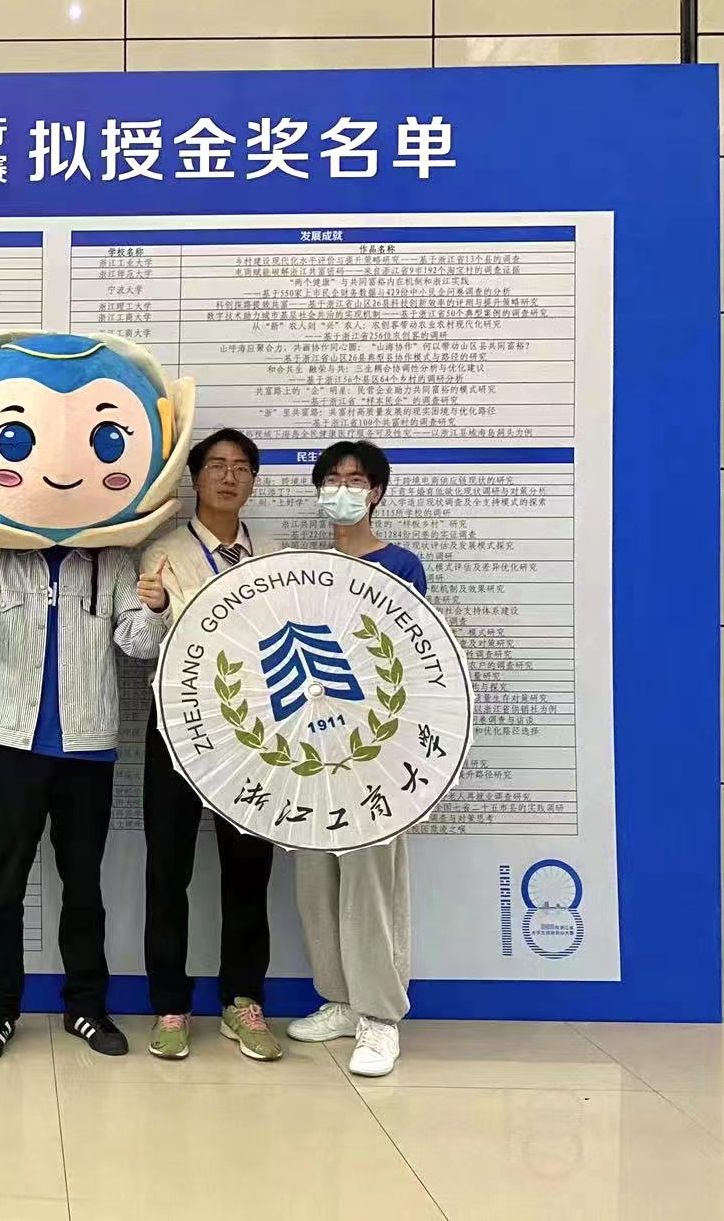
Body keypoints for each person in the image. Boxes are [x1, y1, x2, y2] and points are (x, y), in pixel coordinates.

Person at [0, 527, 169, 1063]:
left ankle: (86, 1006)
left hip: (87, 749)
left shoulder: (112, 561)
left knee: (84, 884)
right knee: (4, 883)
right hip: (10, 745)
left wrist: (155, 609)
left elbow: (139, 645)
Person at [137, 428, 283, 1062]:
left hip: (256, 735)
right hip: (178, 727)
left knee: (249, 870)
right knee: (168, 868)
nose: (229, 477)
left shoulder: (274, 556)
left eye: (242, 467)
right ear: (196, 477)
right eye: (217, 465)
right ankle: (170, 1005)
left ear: (252, 480)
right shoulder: (163, 553)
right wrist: (153, 607)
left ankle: (242, 1000)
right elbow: (142, 644)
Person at [287, 440, 427, 1078]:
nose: (343, 489)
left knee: (371, 880)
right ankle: (340, 1000)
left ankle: (379, 1016)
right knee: (315, 876)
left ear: (376, 493)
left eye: (356, 480)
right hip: (311, 748)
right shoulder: (306, 570)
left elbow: (415, 657)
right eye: (333, 479)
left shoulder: (401, 566)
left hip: (377, 749)